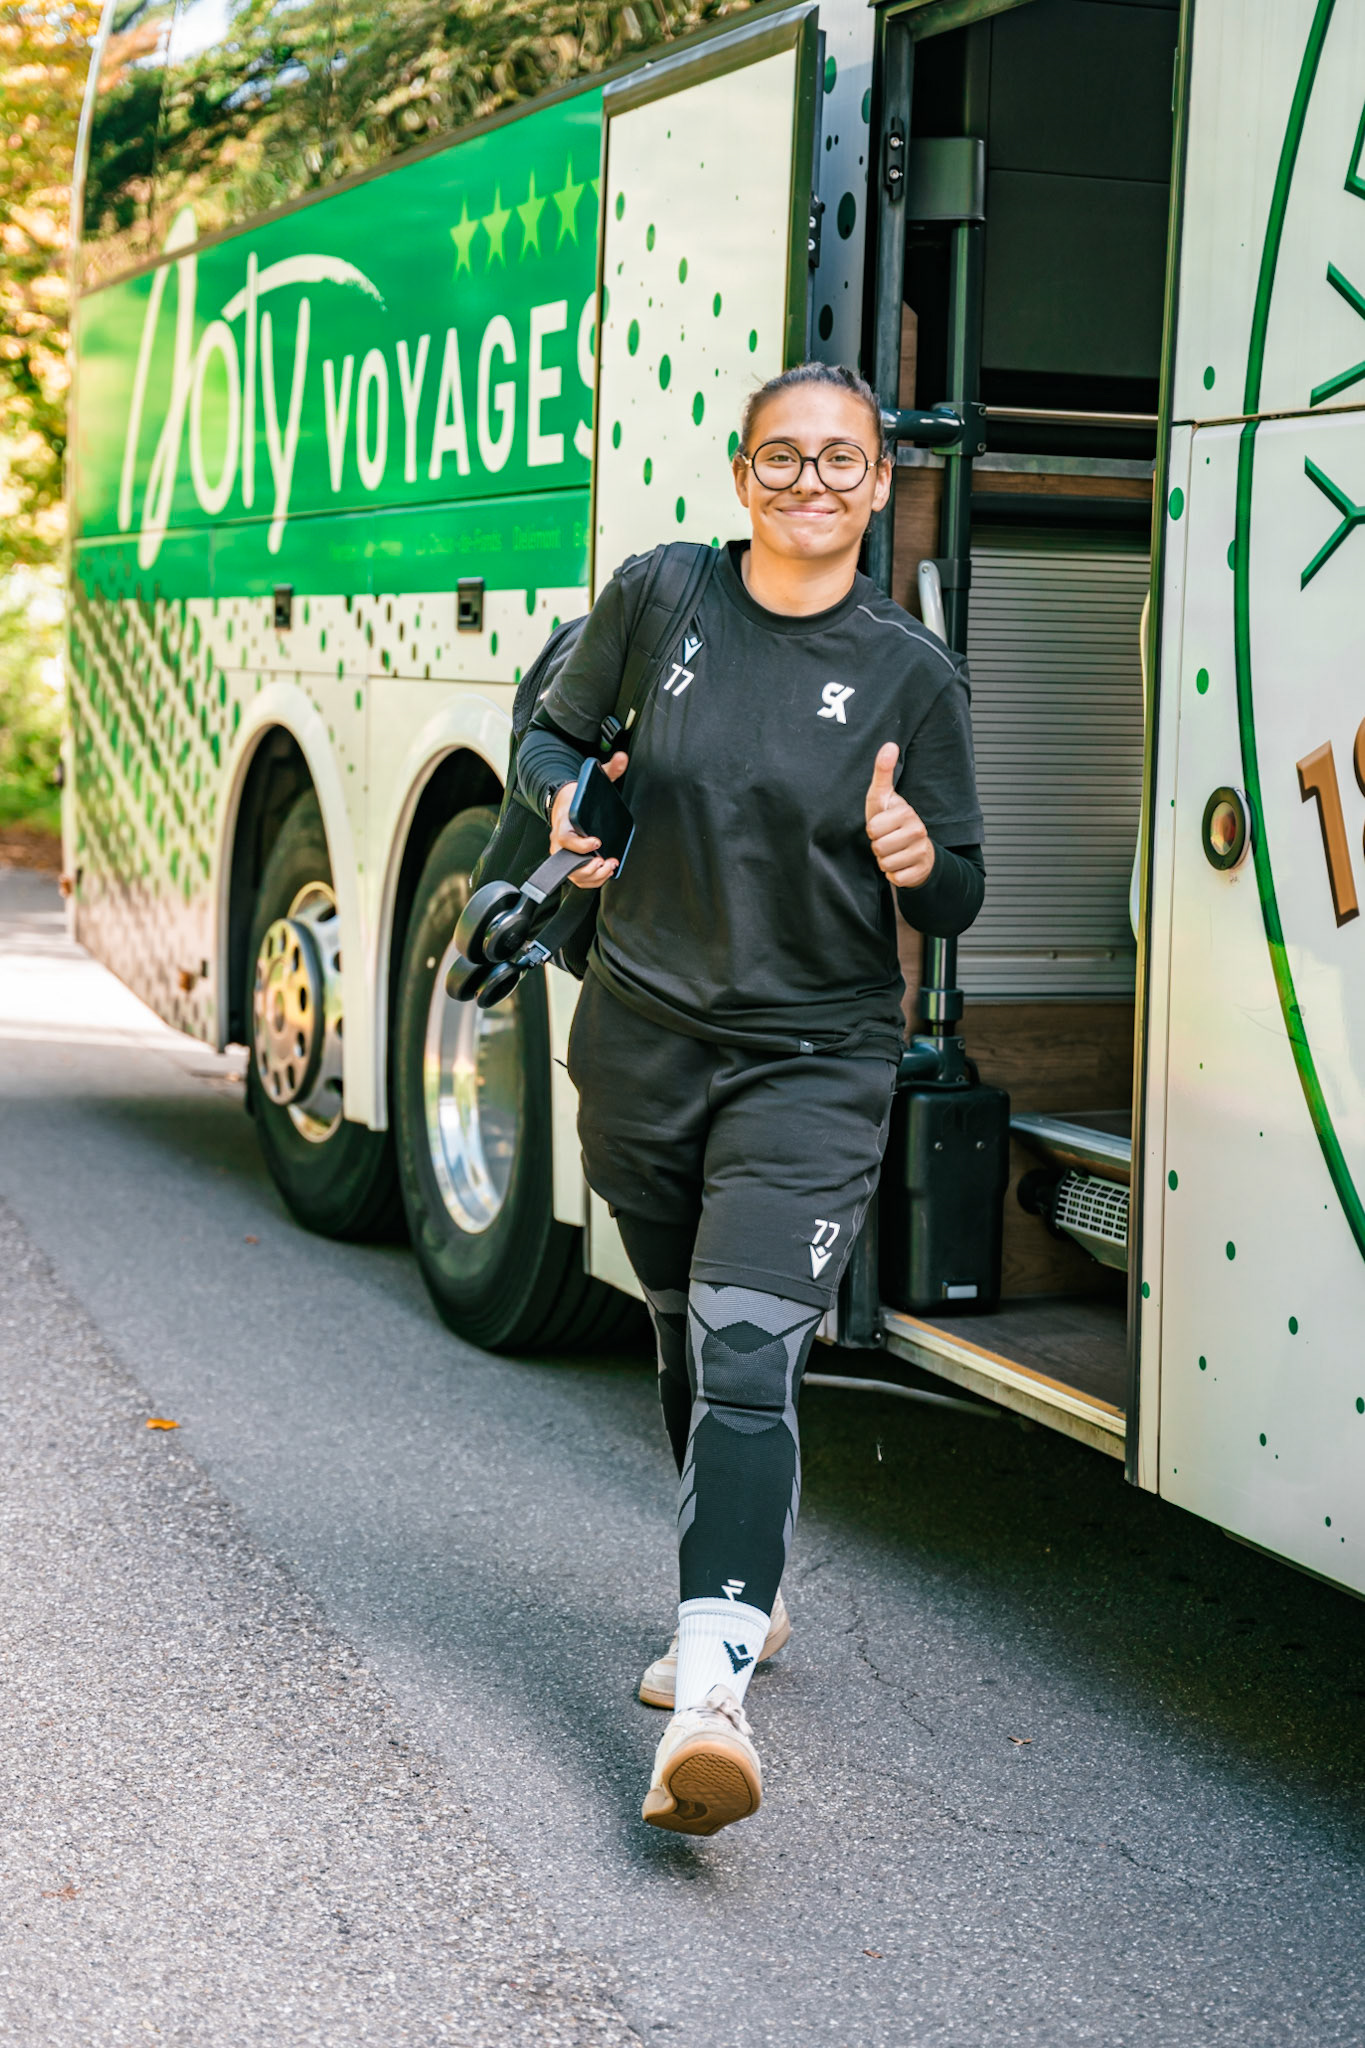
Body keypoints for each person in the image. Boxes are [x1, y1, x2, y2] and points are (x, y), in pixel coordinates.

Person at [516, 361, 985, 1836]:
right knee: (675, 1315)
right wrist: (564, 800)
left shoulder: (911, 672)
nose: (808, 484)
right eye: (780, 458)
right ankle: (749, 1591)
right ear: (739, 474)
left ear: (878, 486)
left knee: (741, 1342)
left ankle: (710, 1687)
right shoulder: (661, 597)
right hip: (644, 1034)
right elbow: (550, 734)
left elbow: (964, 886)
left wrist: (918, 858)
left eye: (839, 462)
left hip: (814, 1053)